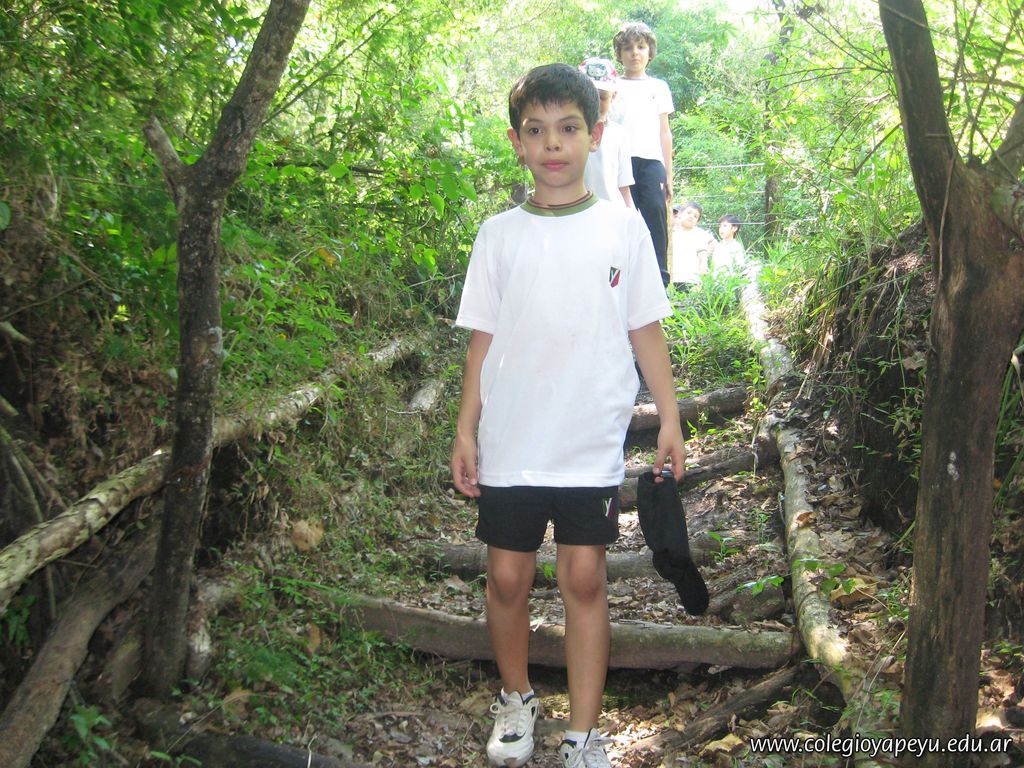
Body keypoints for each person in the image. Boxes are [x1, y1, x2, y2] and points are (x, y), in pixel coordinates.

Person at [450, 63, 686, 768]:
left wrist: (669, 417)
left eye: (568, 128)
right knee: (507, 578)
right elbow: (482, 339)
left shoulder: (623, 229)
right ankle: (517, 698)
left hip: (588, 437)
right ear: (517, 142)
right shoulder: (498, 235)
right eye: (536, 130)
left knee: (583, 578)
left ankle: (584, 733)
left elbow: (645, 328)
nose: (552, 144)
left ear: (595, 135)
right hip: (512, 438)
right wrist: (465, 428)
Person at [609, 21, 675, 284]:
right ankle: (616, 280)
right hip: (618, 162)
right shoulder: (612, 86)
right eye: (628, 48)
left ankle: (659, 281)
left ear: (650, 51)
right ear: (619, 53)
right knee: (618, 219)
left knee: (655, 214)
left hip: (651, 162)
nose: (634, 53)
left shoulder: (658, 87)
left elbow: (664, 132)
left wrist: (668, 176)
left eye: (640, 47)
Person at [579, 57, 634, 207]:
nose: (594, 102)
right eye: (588, 96)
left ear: (613, 96)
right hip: (576, 212)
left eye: (602, 97)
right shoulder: (566, 133)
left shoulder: (619, 134)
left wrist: (632, 217)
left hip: (612, 213)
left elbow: (623, 188)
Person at [669, 202, 714, 290]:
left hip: (692, 280)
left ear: (697, 221)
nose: (691, 216)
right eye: (689, 213)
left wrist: (702, 271)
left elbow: (702, 256)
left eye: (695, 216)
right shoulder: (671, 233)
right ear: (680, 214)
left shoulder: (699, 234)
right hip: (672, 279)